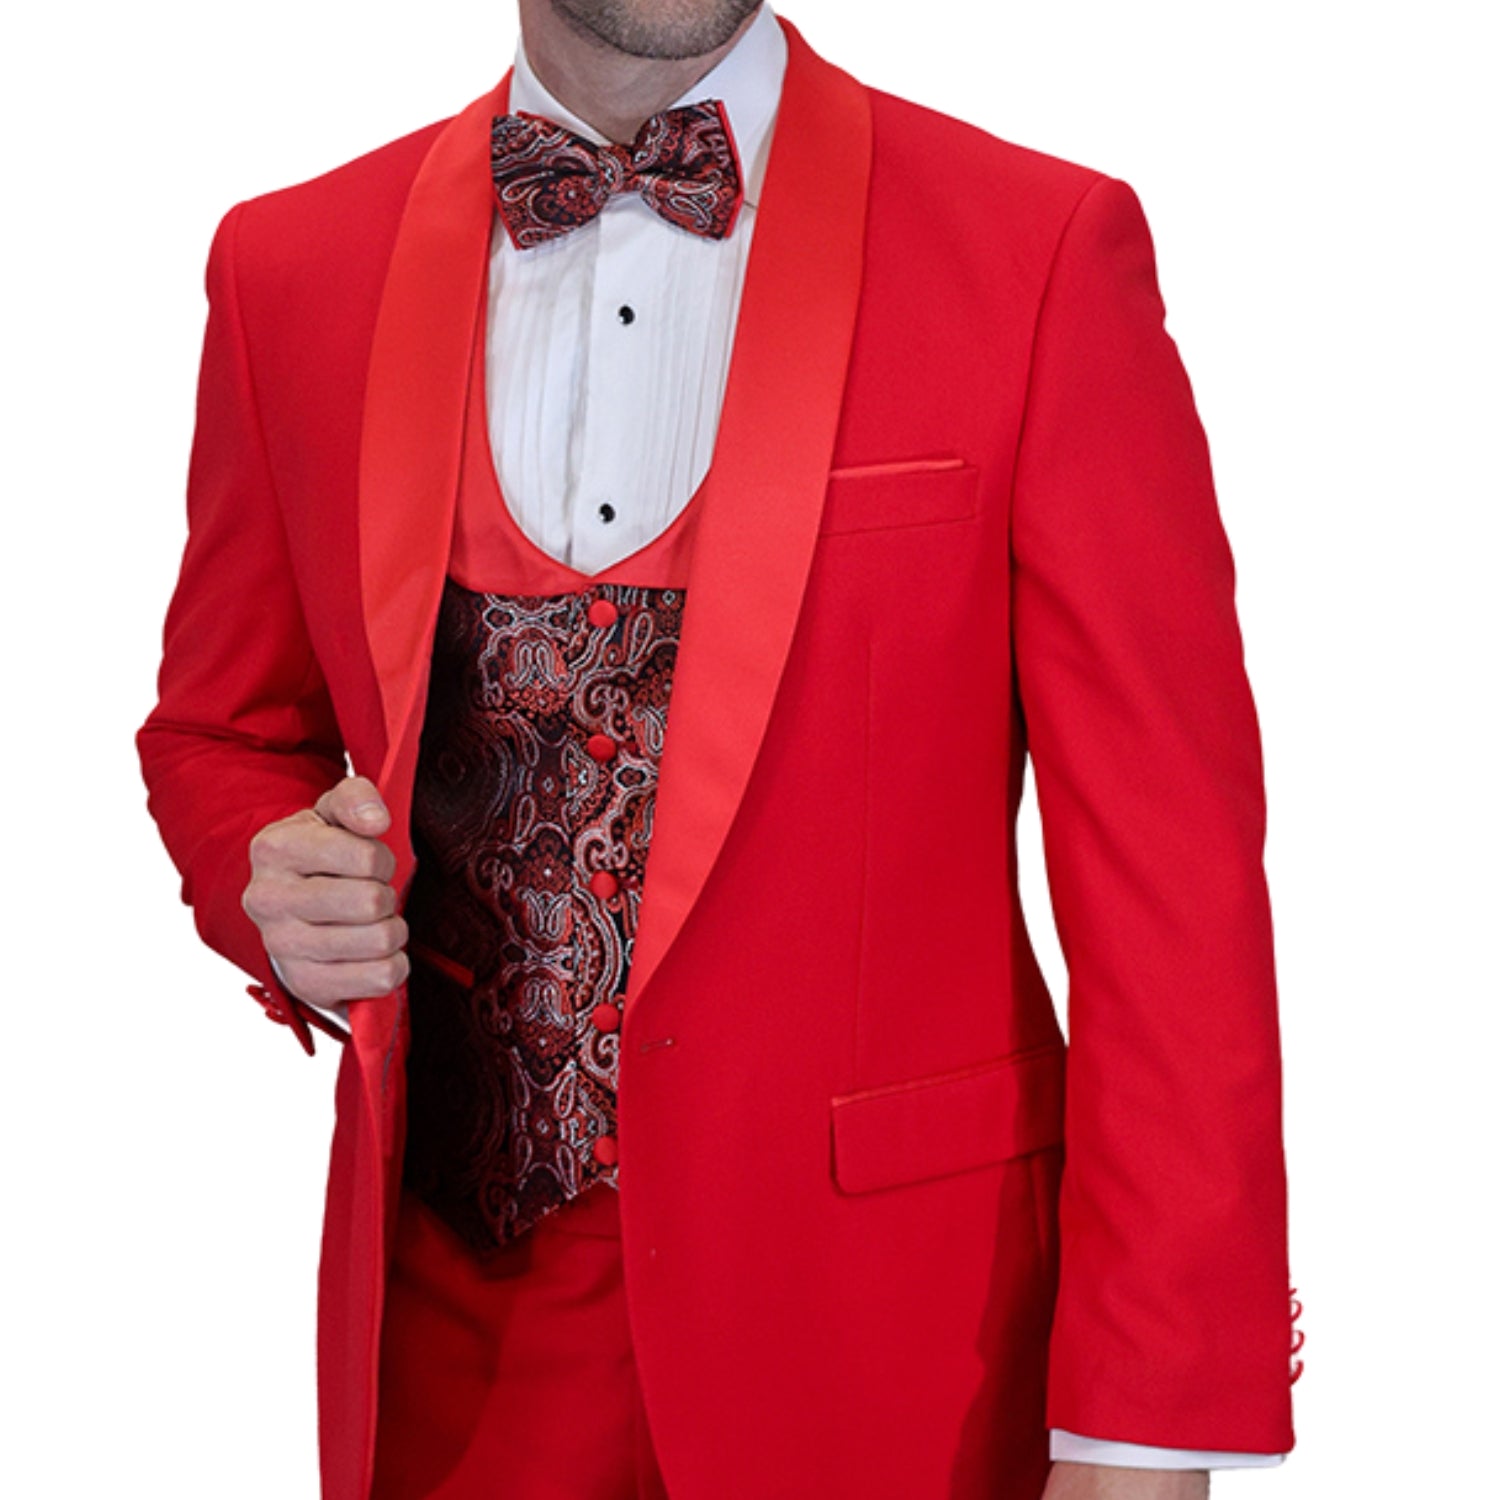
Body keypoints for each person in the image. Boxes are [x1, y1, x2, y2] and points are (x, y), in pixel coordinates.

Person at [137, 2, 1300, 1496]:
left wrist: (1144, 1424)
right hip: (454, 1364)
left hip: (898, 1350)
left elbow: (1172, 884)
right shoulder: (290, 267)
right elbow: (225, 728)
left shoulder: (1039, 250)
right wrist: (271, 885)